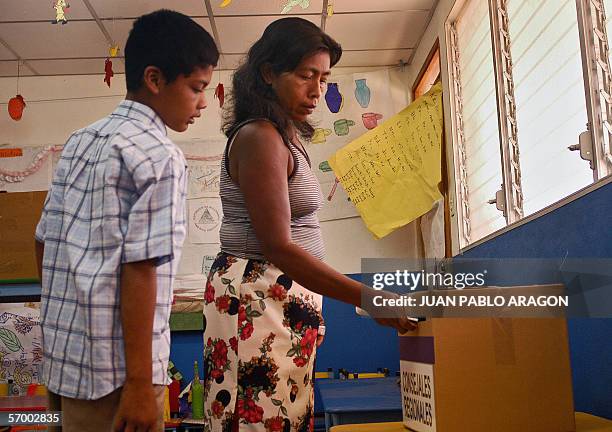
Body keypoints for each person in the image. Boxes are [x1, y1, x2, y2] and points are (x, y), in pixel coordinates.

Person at [202, 17, 416, 432]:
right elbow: (279, 246)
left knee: (285, 416)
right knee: (257, 422)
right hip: (257, 297)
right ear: (268, 74)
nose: (317, 90)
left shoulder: (284, 134)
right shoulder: (260, 137)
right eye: (305, 76)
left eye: (324, 78)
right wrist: (368, 296)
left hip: (280, 297)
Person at [34, 10, 219, 432]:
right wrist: (139, 383)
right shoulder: (160, 155)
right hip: (119, 377)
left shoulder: (81, 141)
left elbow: (44, 240)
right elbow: (140, 267)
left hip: (67, 364)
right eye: (196, 88)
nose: (203, 102)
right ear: (155, 79)